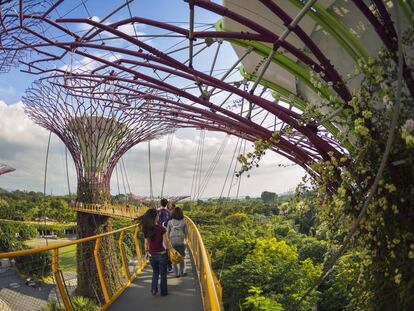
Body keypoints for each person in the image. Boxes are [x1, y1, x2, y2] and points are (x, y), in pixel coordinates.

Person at [142, 208, 171, 296]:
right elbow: (166, 242)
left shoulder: (146, 229)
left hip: (152, 255)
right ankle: (164, 292)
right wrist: (169, 251)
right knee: (163, 274)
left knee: (155, 272)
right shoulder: (161, 229)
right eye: (158, 215)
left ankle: (154, 289)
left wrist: (147, 251)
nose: (159, 216)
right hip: (162, 255)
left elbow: (146, 243)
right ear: (155, 217)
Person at [167, 207, 188, 277]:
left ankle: (177, 273)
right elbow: (186, 233)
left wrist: (168, 242)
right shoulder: (184, 222)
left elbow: (167, 233)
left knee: (174, 258)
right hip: (181, 242)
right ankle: (183, 271)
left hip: (173, 242)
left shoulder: (170, 222)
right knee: (182, 257)